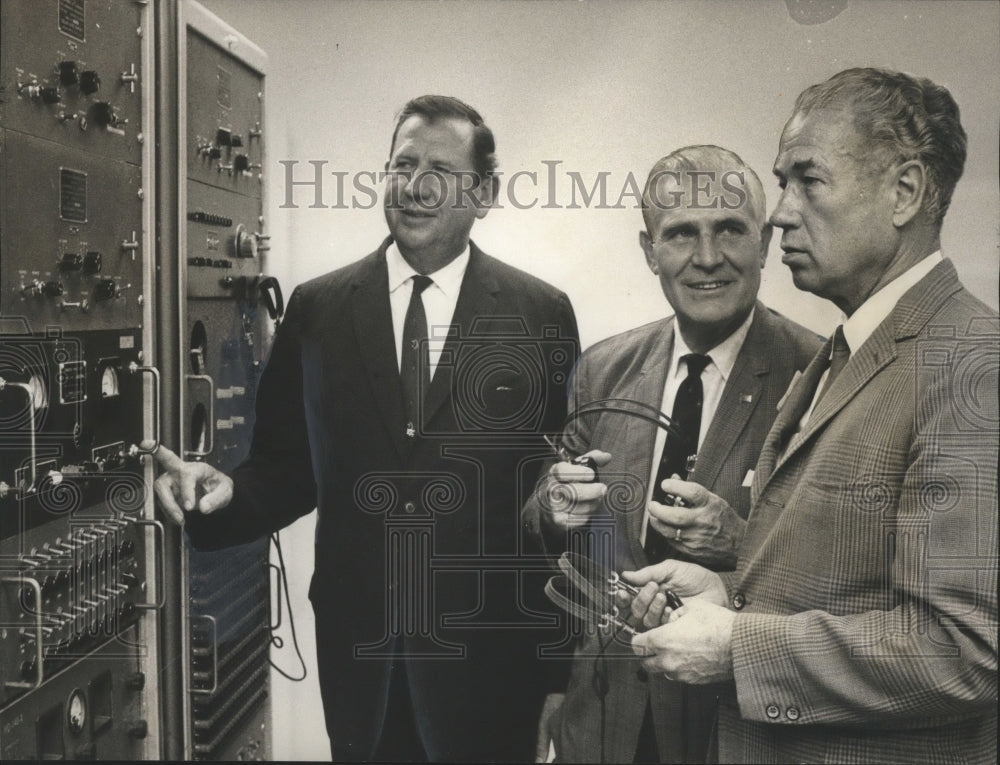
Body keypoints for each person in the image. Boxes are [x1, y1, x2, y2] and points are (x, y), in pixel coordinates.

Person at [152, 95, 580, 762]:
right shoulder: (319, 308)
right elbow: (287, 468)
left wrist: (562, 673)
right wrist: (226, 495)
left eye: (439, 168)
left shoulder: (540, 313)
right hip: (362, 661)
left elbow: (557, 509)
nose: (414, 185)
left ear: (485, 192)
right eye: (402, 164)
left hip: (495, 667)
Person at [626, 68, 998, 764]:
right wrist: (728, 593)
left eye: (808, 180)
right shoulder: (848, 350)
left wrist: (738, 643)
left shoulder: (971, 364)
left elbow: (966, 650)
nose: (779, 212)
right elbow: (845, 582)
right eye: (782, 181)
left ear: (906, 191)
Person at [521, 145, 820, 763]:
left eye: (730, 230)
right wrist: (554, 509)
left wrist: (741, 541)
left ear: (763, 243)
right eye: (682, 233)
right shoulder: (602, 369)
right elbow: (543, 535)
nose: (707, 258)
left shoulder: (817, 375)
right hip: (604, 718)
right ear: (649, 248)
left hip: (734, 728)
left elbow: (843, 574)